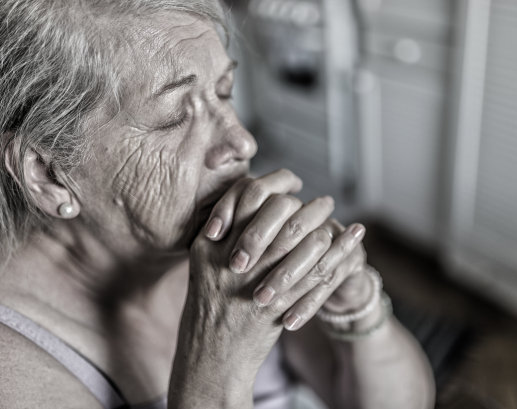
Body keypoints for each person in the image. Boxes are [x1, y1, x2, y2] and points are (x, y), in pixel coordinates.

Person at [0, 1, 435, 408]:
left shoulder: (228, 247)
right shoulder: (14, 372)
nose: (242, 142)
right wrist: (218, 357)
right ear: (49, 175)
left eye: (224, 91)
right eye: (175, 118)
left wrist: (356, 314)